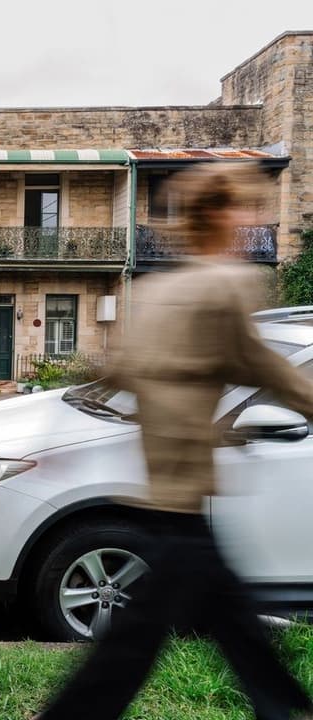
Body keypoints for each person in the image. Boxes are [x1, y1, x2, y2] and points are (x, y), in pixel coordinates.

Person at [34, 161, 313, 720]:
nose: (252, 218)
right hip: (183, 493)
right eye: (244, 207)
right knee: (150, 636)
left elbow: (128, 373)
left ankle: (282, 706)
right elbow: (266, 368)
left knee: (223, 623)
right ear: (215, 214)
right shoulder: (226, 285)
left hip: (164, 483)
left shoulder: (158, 290)